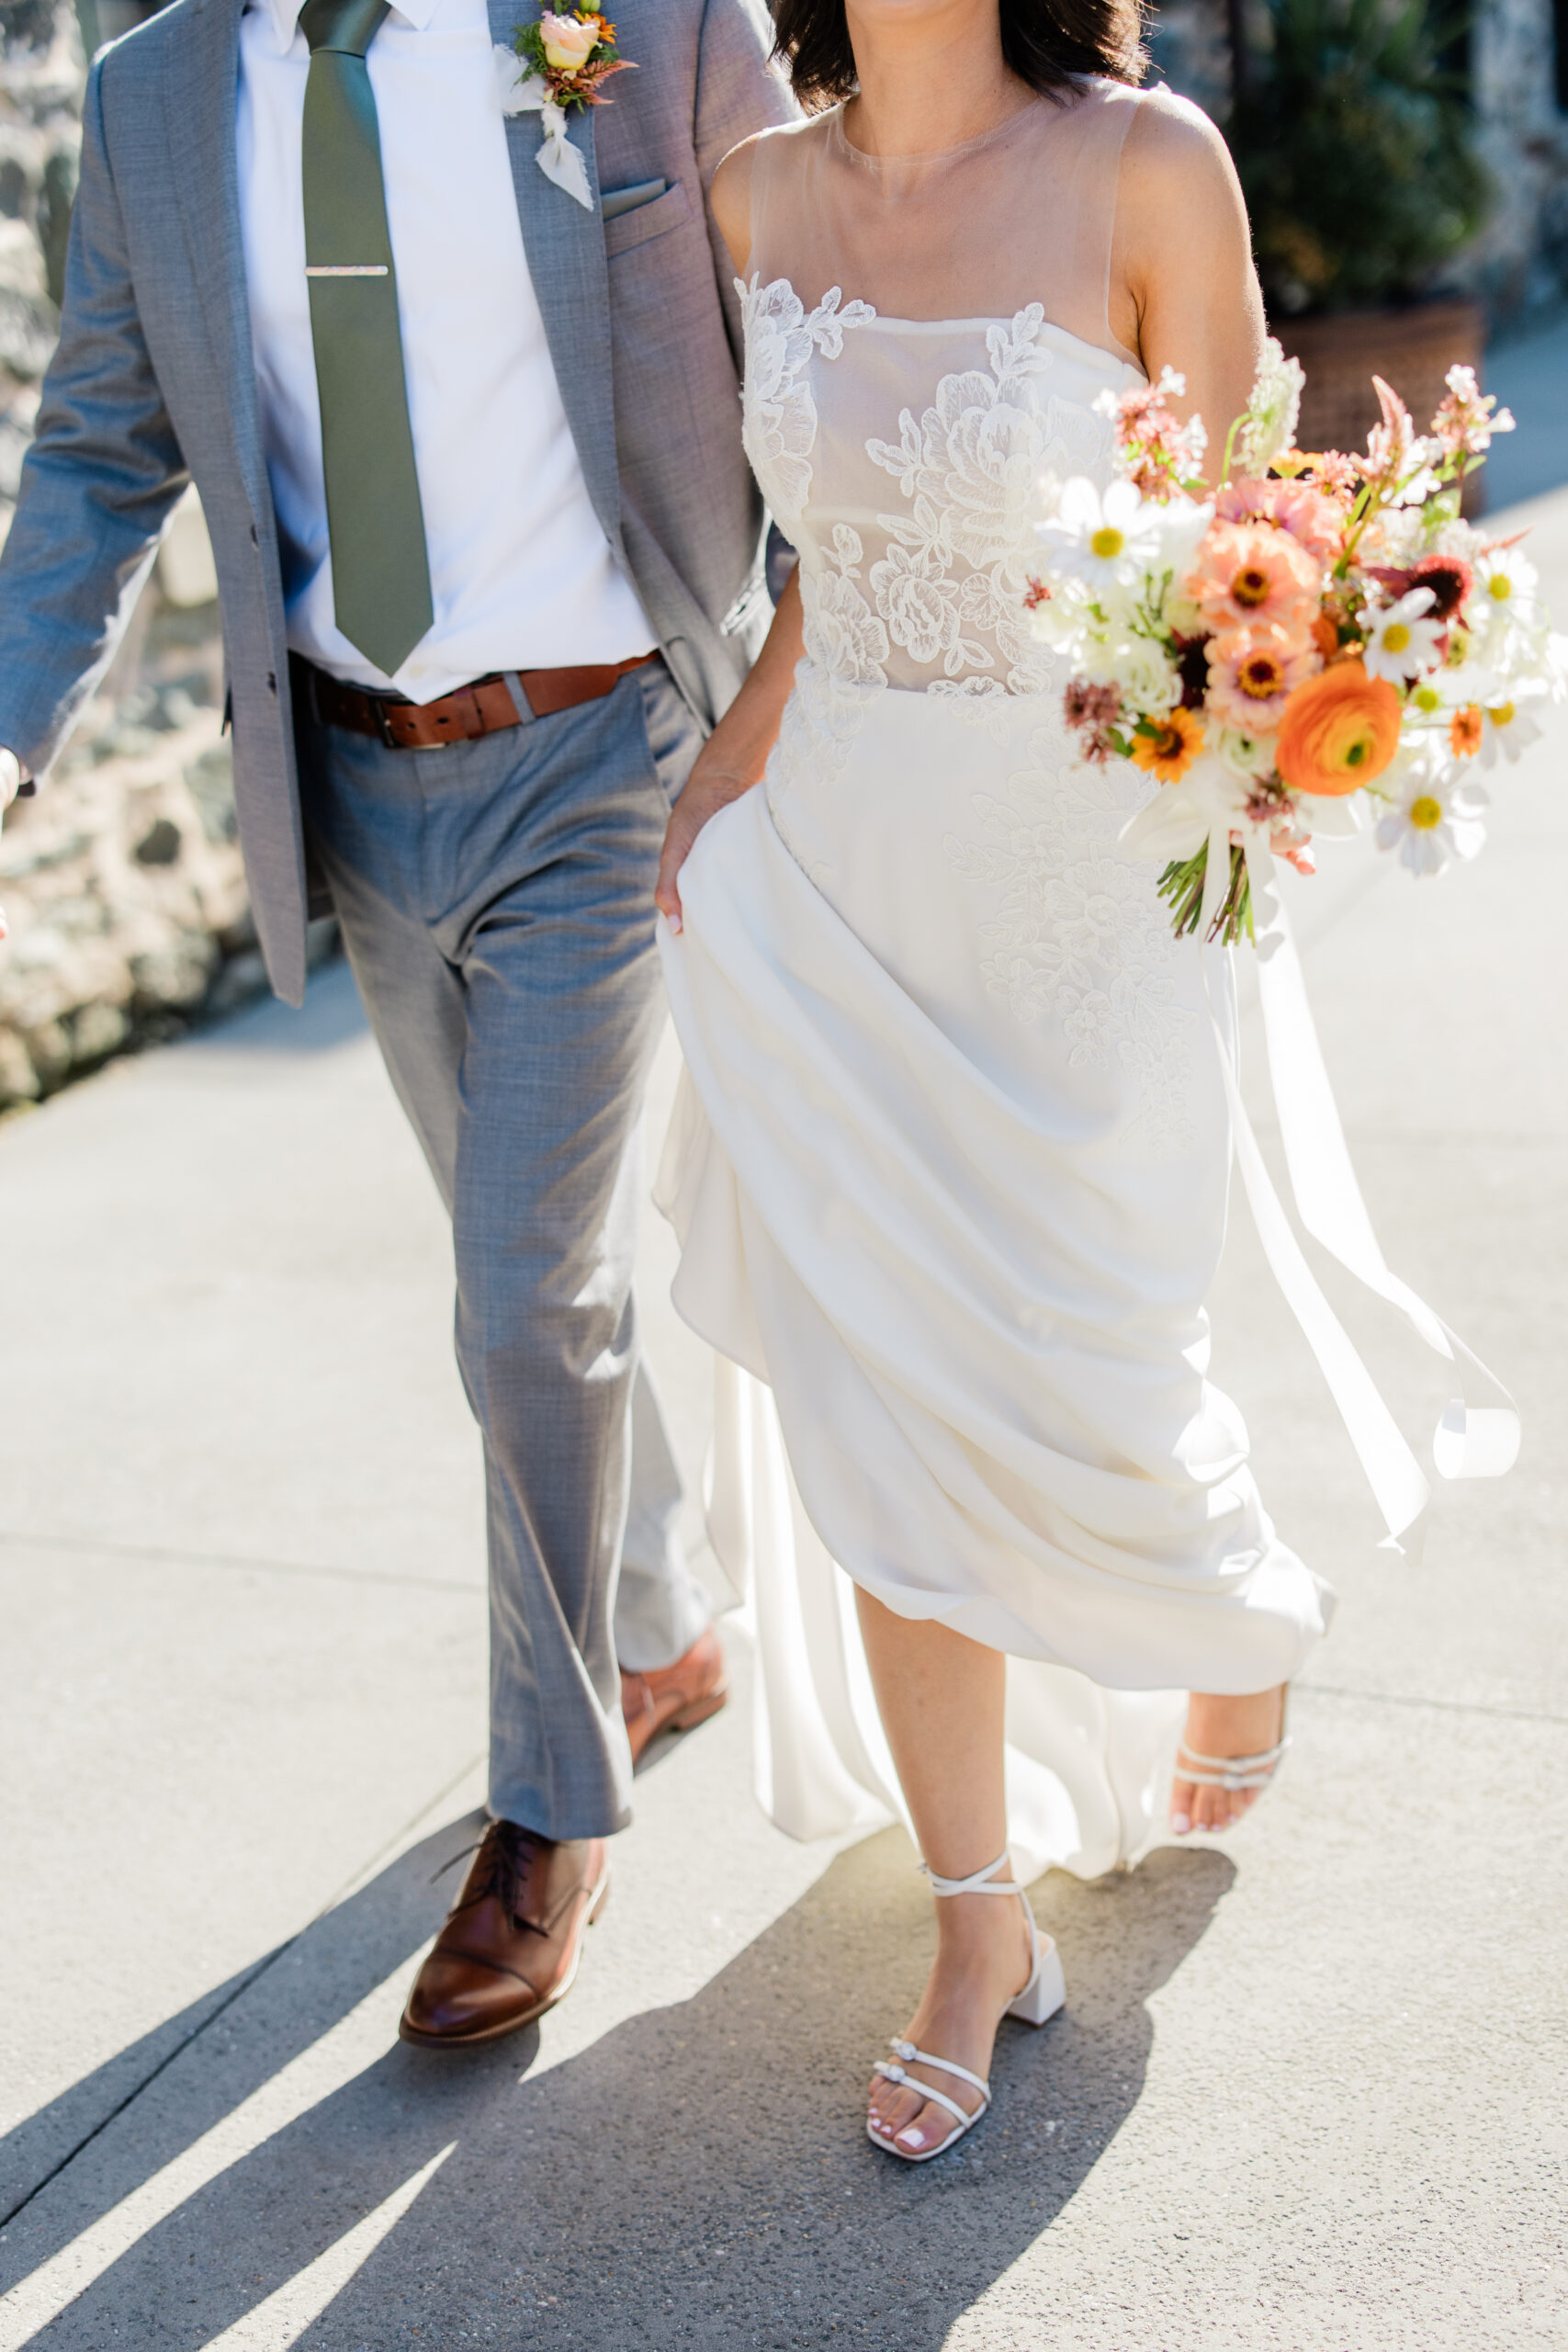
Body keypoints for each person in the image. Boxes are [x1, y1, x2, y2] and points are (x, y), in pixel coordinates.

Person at [0, 0, 791, 2046]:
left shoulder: (632, 25)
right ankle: (658, 1616)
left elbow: (801, 316)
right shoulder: (156, 94)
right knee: (520, 1269)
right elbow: (101, 443)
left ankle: (546, 1811)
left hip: (597, 744)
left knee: (523, 1298)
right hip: (350, 783)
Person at [651, 0, 1337, 2162]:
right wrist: (708, 800)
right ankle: (970, 1917)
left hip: (1077, 901)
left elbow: (1249, 576)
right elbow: (795, 588)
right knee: (881, 1398)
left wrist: (1295, 732)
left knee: (1097, 1364)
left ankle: (1234, 1603)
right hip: (832, 872)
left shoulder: (1149, 170)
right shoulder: (753, 191)